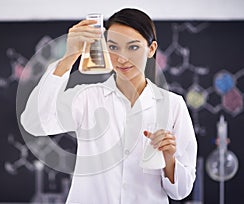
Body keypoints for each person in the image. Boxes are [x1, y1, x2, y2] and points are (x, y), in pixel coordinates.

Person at [21, 8, 197, 204]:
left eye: (133, 47)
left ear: (151, 49)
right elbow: (34, 123)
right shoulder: (87, 97)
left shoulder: (173, 105)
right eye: (113, 47)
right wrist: (69, 57)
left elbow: (181, 191)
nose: (122, 58)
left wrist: (169, 159)